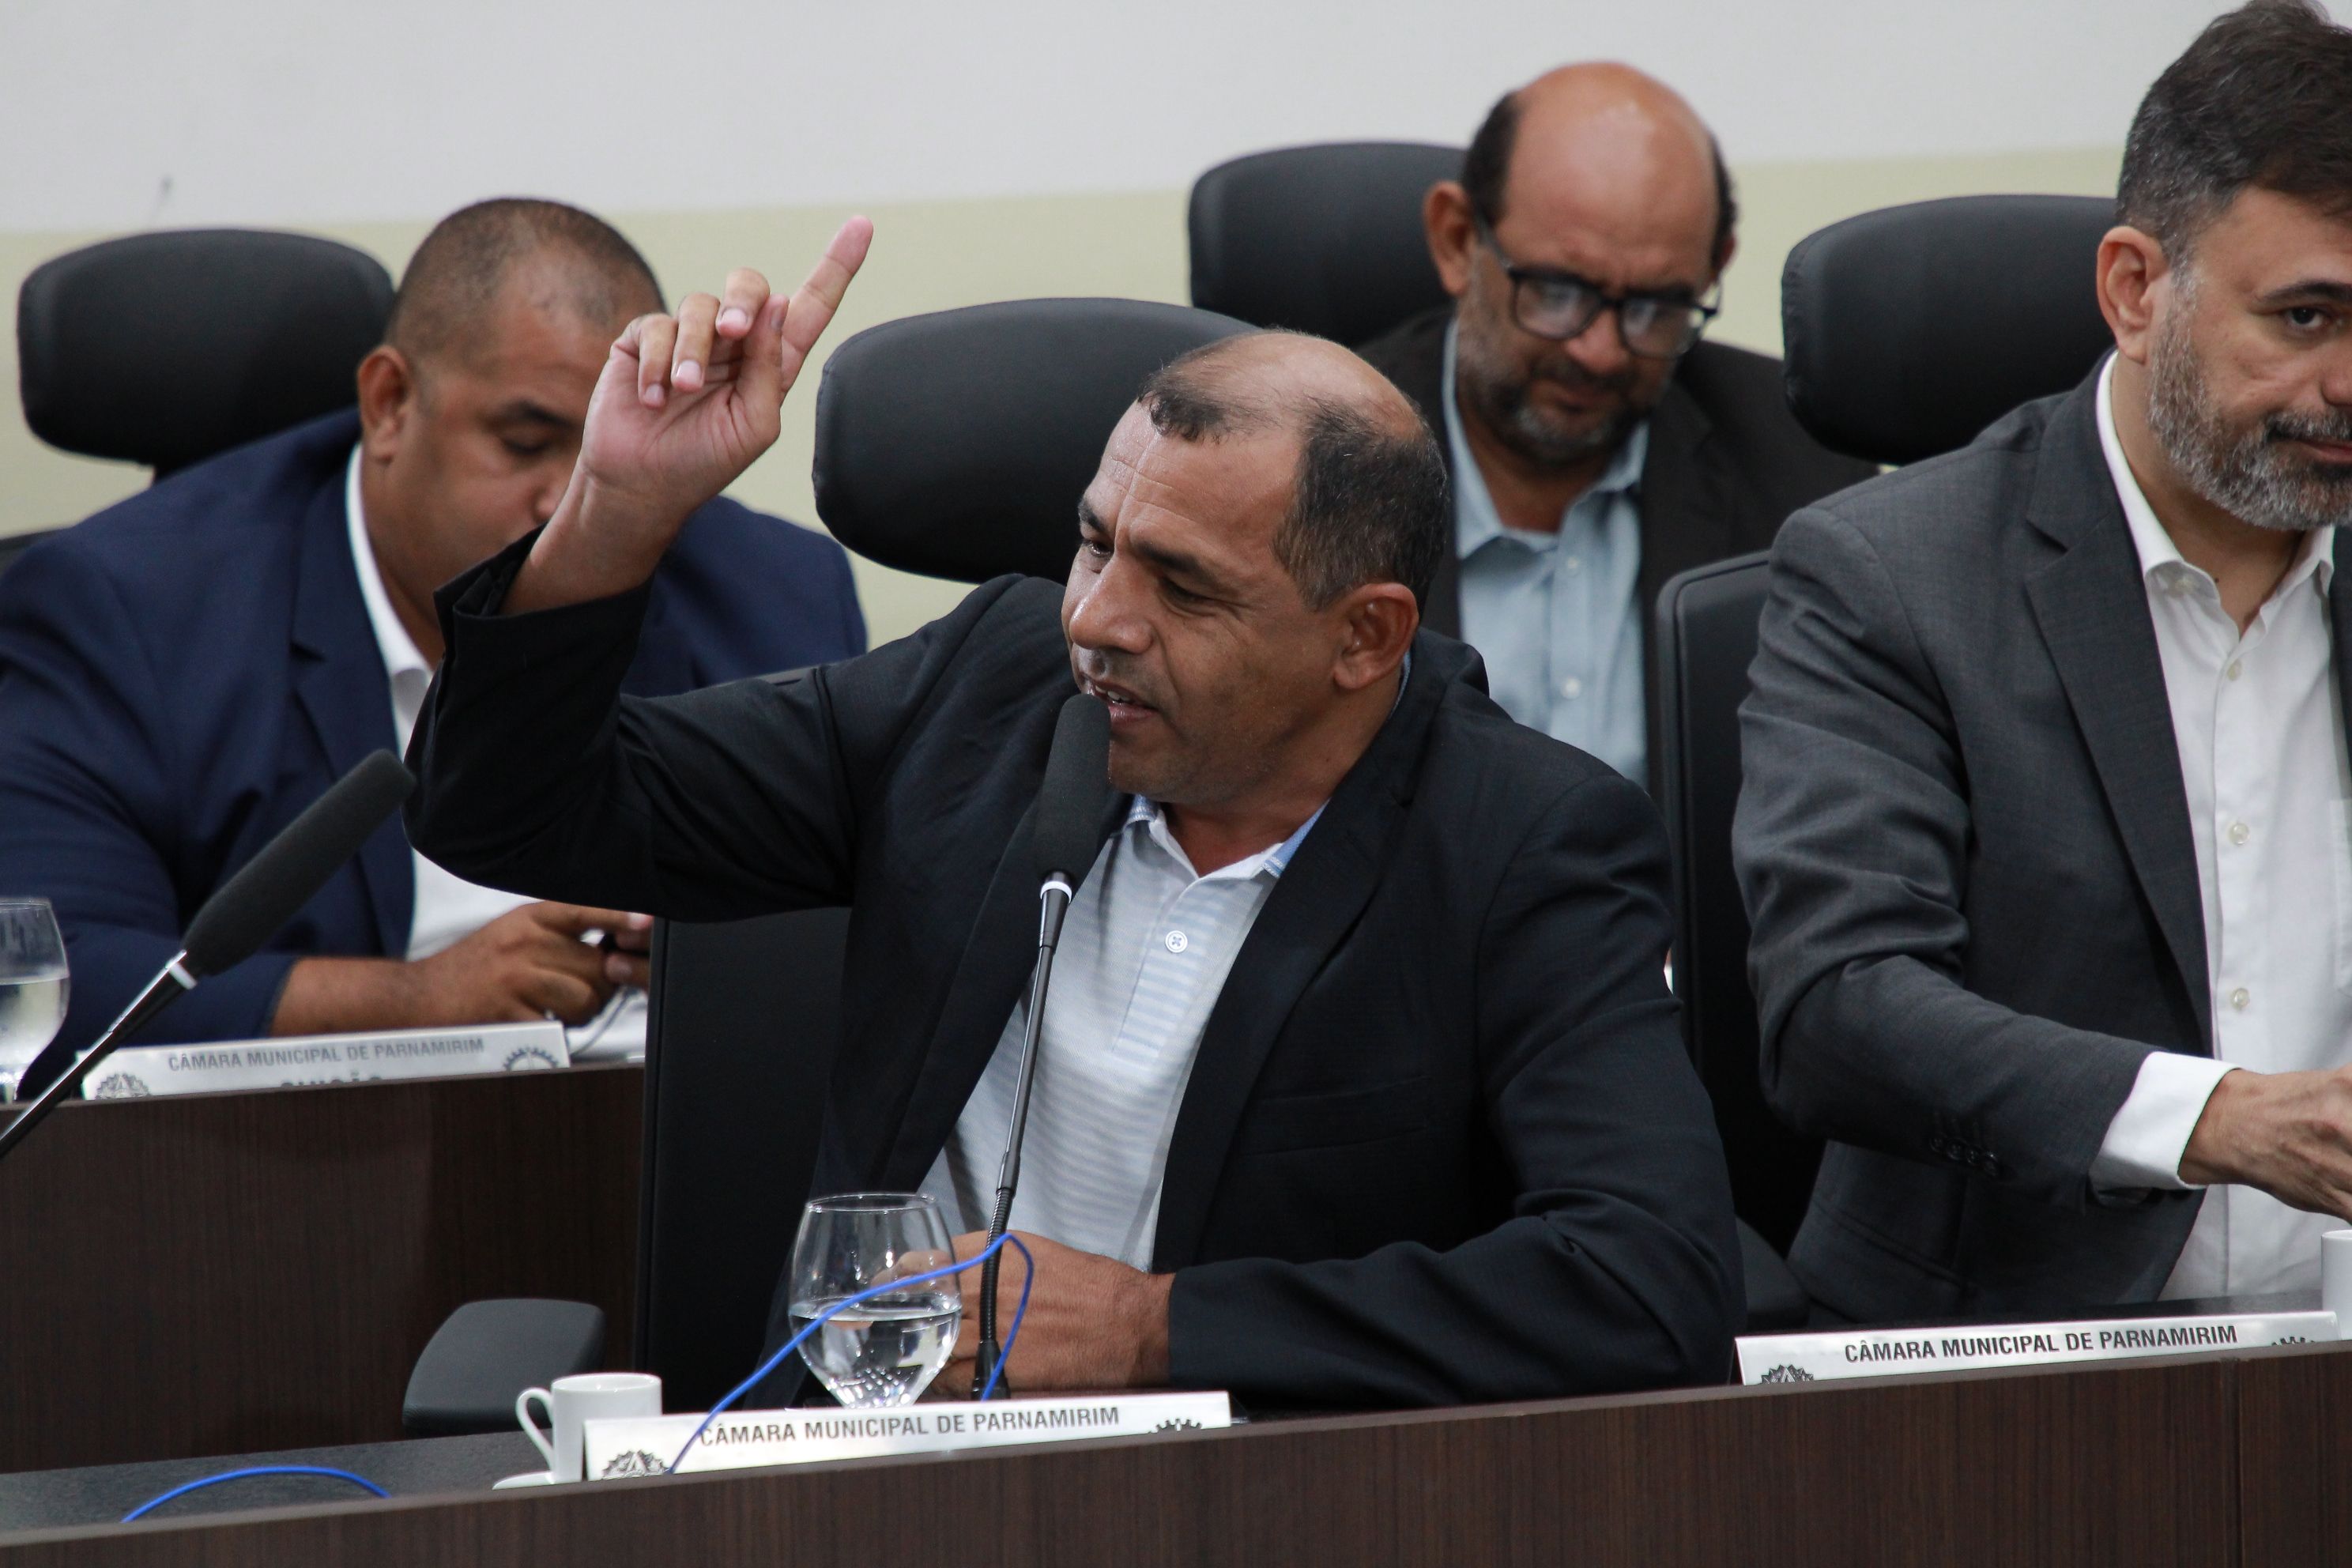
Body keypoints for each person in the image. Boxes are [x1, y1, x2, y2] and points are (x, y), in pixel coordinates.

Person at [404, 223, 1742, 1408]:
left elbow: (1647, 1282)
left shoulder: (1523, 840)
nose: (1097, 620)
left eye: (1182, 586)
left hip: (1255, 1501)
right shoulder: (992, 686)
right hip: (875, 1468)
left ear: (1364, 636)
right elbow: (508, 810)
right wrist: (615, 513)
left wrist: (1155, 1329)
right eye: (1096, 542)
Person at [1735, 0, 2352, 1321]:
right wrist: (2215, 1117)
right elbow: (1839, 1005)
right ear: (2135, 290)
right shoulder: (1888, 576)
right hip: (2011, 1368)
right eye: (2306, 316)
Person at [0, 199, 865, 1076]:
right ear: (389, 404)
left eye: (606, 440)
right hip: (308, 1148)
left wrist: (713, 945)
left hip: (674, 1128)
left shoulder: (772, 591)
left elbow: (869, 936)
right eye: (525, 442)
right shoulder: (120, 609)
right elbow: (46, 978)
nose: (574, 495)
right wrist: (414, 1006)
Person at [1359, 65, 1874, 797]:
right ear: (1457, 239)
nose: (1599, 352)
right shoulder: (1318, 461)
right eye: (1558, 292)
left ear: (1714, 268)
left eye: (1656, 307)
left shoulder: (1810, 469)